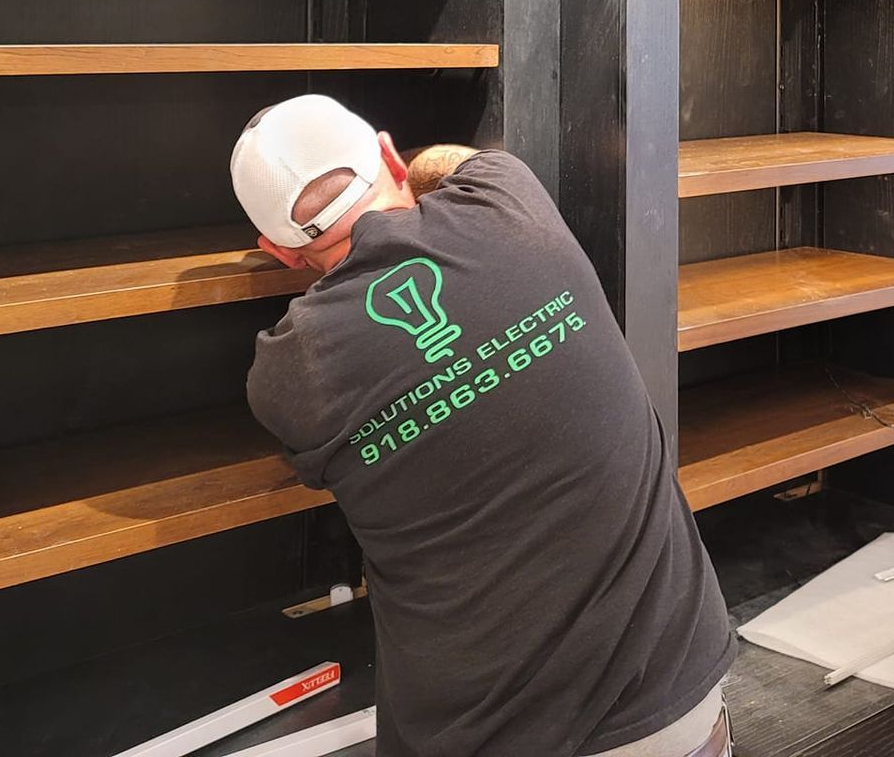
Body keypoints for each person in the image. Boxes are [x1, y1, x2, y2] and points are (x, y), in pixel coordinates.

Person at [230, 94, 735, 757]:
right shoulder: (508, 201)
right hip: (678, 709)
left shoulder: (289, 372)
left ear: (278, 252)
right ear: (388, 156)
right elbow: (455, 162)